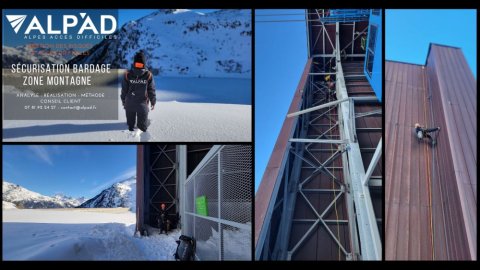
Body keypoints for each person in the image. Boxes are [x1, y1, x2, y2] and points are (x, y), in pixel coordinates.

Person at [121, 51, 156, 132]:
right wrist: (153, 102)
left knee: (130, 126)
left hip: (129, 105)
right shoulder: (148, 75)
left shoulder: (127, 74)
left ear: (134, 63)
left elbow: (124, 91)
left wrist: (123, 101)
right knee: (142, 127)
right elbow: (151, 90)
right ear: (144, 63)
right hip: (142, 106)